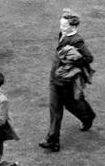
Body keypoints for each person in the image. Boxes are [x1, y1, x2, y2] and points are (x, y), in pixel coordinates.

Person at [39, 9, 94, 152]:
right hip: (55, 78)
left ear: (73, 27)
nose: (61, 28)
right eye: (60, 24)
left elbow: (88, 58)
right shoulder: (62, 34)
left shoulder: (77, 40)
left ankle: (87, 117)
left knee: (71, 105)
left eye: (64, 26)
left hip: (66, 81)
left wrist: (72, 62)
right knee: (55, 108)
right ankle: (53, 140)